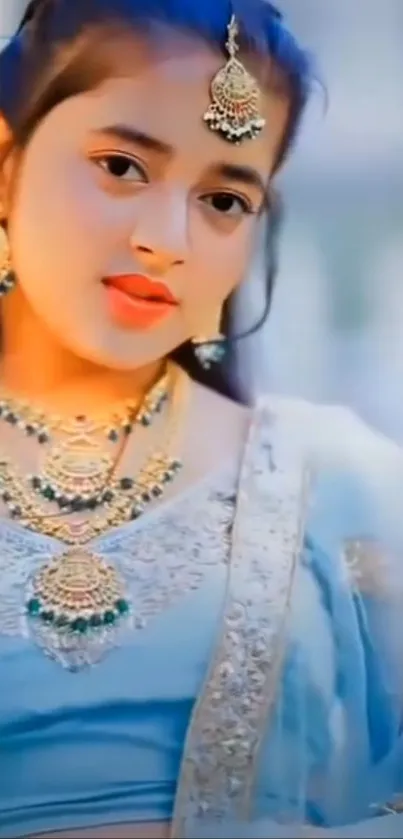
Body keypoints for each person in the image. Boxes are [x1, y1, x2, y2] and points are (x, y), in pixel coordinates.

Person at [0, 1, 403, 838]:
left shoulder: (340, 484)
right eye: (120, 165)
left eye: (223, 199)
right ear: (5, 163)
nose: (168, 239)